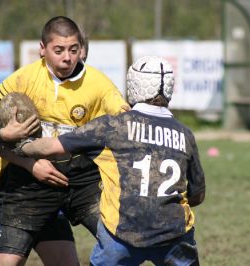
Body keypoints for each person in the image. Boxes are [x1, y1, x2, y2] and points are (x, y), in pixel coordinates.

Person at [0, 16, 128, 266]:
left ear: (81, 49)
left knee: (115, 240)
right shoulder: (24, 79)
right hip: (0, 188)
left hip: (60, 186)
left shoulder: (98, 84)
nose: (67, 57)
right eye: (59, 50)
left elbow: (125, 118)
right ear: (43, 49)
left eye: (73, 50)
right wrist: (6, 137)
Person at [18, 56, 206, 266]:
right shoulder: (185, 134)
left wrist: (20, 146)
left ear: (133, 85)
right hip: (175, 234)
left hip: (122, 233)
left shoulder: (112, 127)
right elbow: (198, 195)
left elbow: (50, 147)